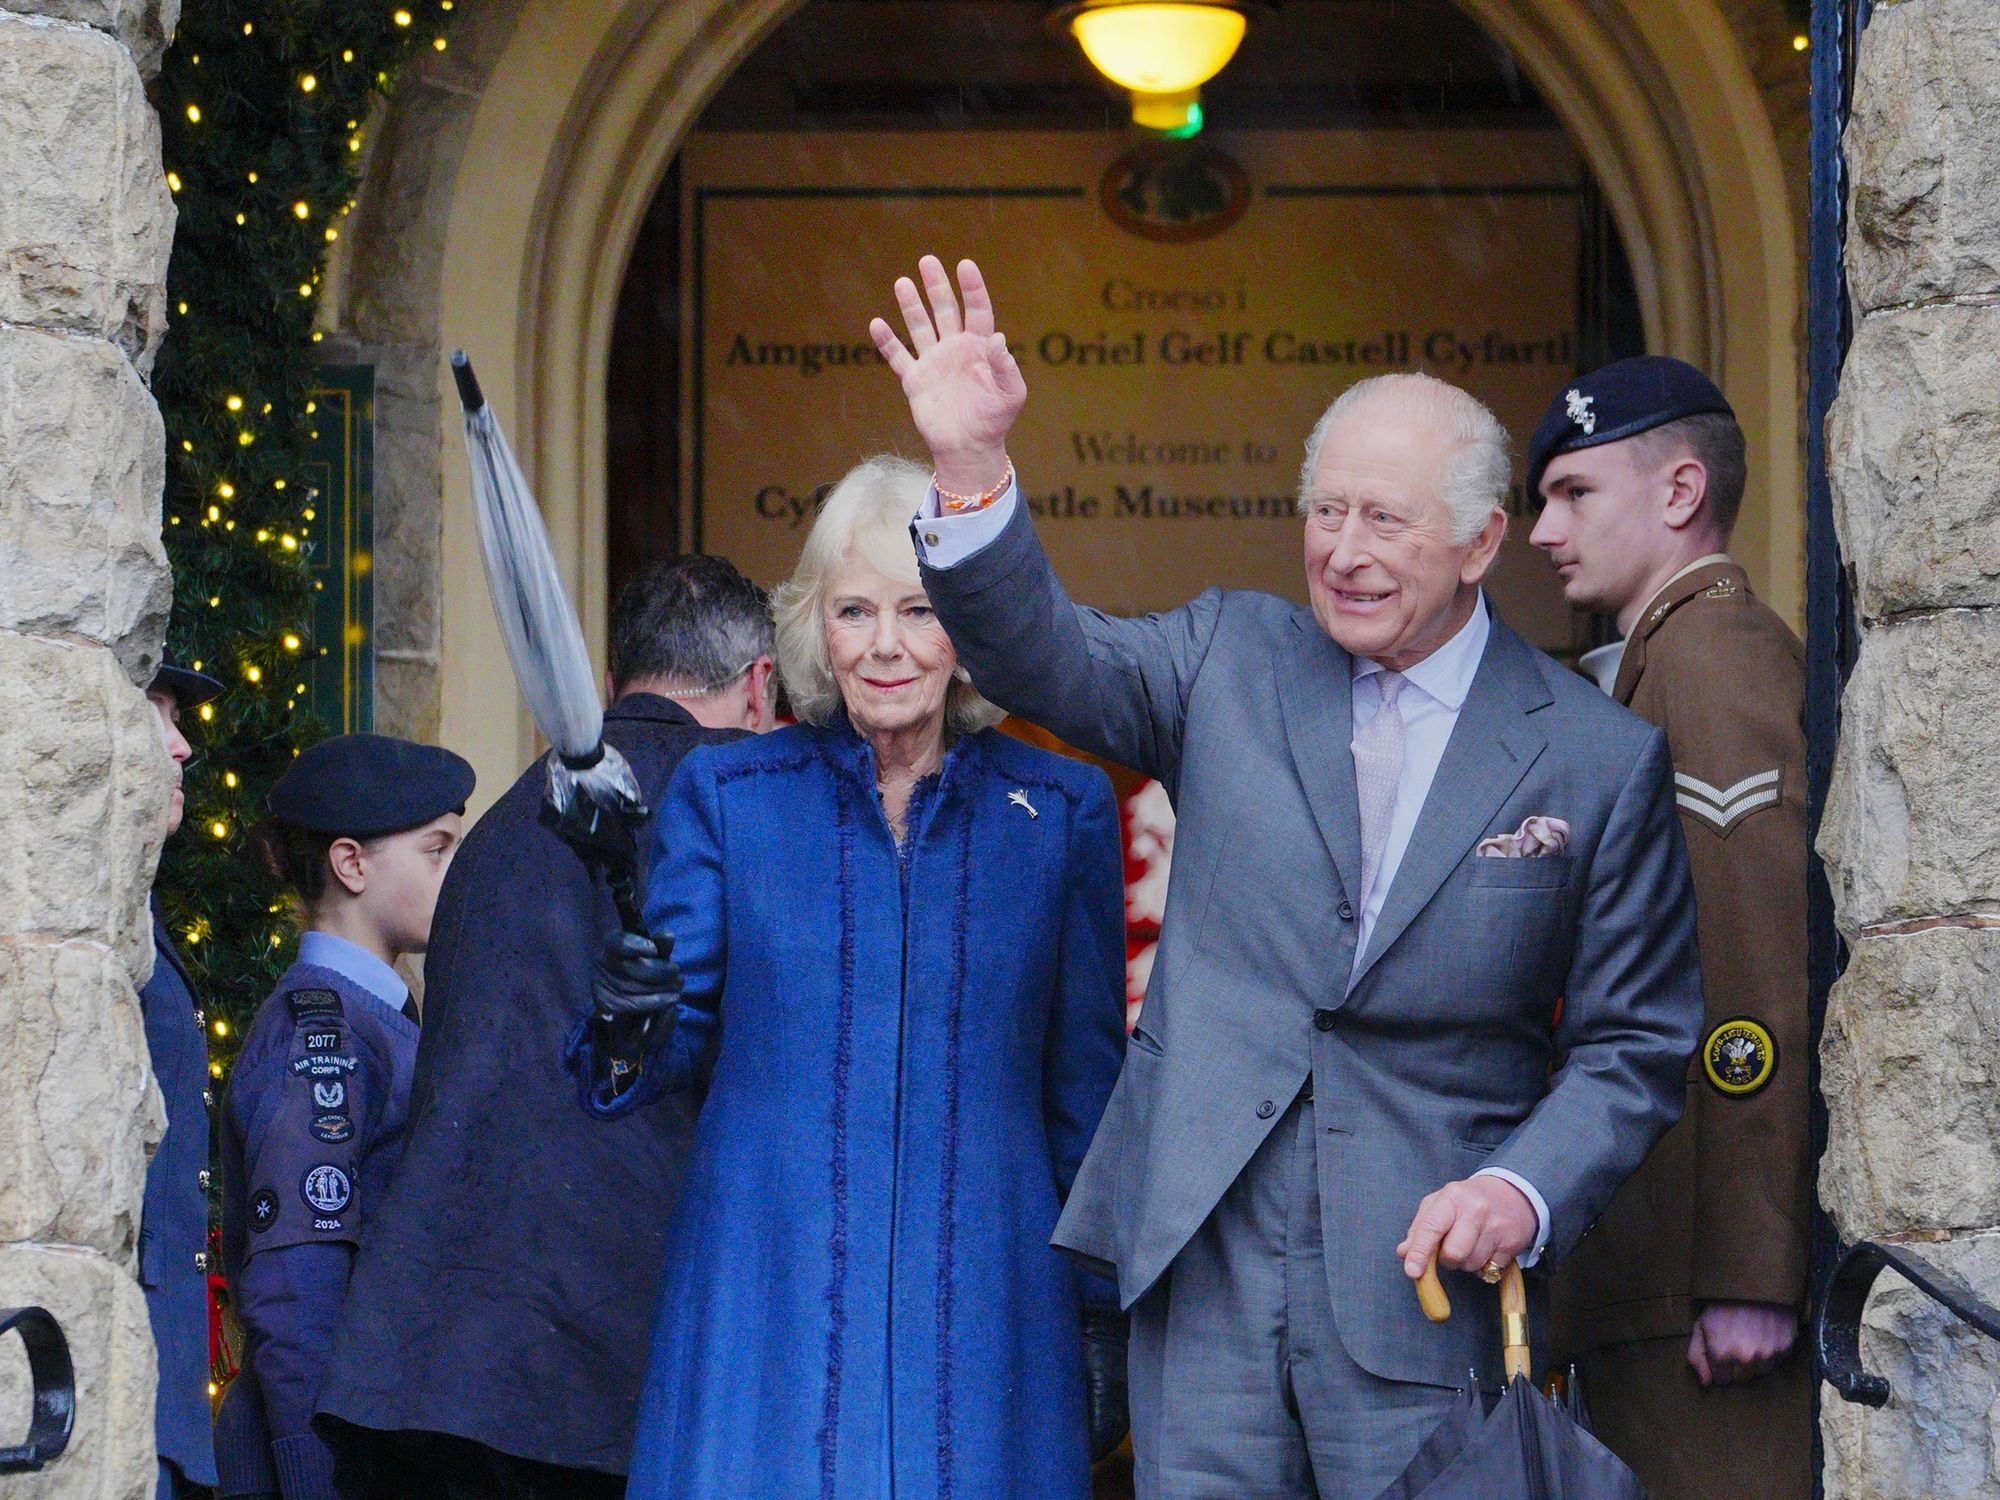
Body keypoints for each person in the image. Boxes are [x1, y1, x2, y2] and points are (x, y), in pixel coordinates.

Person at [865, 256, 1704, 1499]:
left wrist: (1519, 1188)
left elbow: (1634, 1042)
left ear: (1479, 542)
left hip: (1428, 1276)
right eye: (1325, 512)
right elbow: (1039, 654)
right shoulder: (1226, 657)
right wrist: (971, 472)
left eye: (1385, 520)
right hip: (1202, 1259)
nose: (1343, 553)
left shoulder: (1591, 755)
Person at [584, 456, 1129, 1499]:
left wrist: (1100, 1310)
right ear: (815, 632)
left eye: (921, 610)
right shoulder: (728, 794)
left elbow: (1086, 1096)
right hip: (764, 1295)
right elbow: (671, 1041)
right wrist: (630, 1016)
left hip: (988, 1313)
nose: (884, 644)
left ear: (971, 631)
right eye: (854, 609)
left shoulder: (1058, 812)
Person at [315, 555, 776, 1497]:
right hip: (613, 1369)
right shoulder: (746, 812)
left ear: (609, 686)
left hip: (431, 1353)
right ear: (763, 686)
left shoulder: (497, 826)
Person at [1526, 357, 1812, 1499]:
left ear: (1679, 491)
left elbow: (1752, 972)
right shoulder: (1659, 663)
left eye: (1573, 493)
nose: (1542, 530)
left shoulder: (1708, 661)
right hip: (1660, 1275)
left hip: (1701, 1291)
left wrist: (1749, 1265)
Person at [213, 735, 474, 1500]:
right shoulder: (320, 1036)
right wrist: (312, 1479)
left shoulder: (378, 1020)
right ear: (352, 864)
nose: (454, 873)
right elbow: (298, 1285)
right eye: (436, 850)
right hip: (327, 1467)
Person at [142, 656, 226, 1500]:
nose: (182, 746)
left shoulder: (134, 909)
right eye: (160, 713)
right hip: (117, 1364)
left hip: (158, 1378)